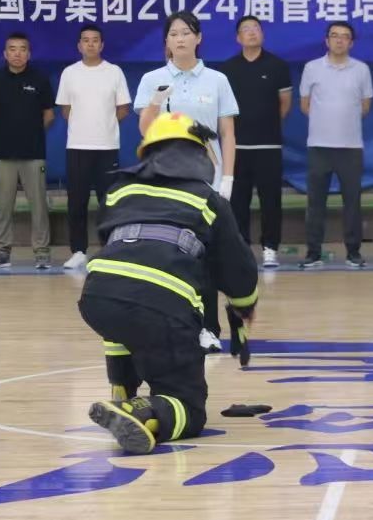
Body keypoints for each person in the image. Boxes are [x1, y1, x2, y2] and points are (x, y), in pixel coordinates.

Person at [80, 112, 259, 454]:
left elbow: (117, 250)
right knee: (189, 407)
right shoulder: (208, 200)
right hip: (160, 305)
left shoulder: (118, 192)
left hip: (97, 296)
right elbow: (239, 272)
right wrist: (244, 308)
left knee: (122, 306)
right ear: (199, 155)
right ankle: (140, 410)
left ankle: (122, 385)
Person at [134, 11, 238, 349]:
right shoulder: (153, 78)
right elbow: (145, 129)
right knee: (168, 254)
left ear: (198, 38)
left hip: (207, 180)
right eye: (174, 33)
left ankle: (209, 328)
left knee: (204, 255)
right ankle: (173, 325)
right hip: (166, 179)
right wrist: (155, 101)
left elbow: (227, 132)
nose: (180, 39)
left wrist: (228, 177)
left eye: (186, 32)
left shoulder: (217, 80)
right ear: (166, 41)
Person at [216, 16, 292, 270]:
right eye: (246, 30)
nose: (251, 33)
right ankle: (242, 249)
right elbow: (223, 110)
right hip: (237, 147)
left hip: (268, 146)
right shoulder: (227, 69)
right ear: (238, 38)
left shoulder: (277, 66)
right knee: (238, 202)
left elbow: (284, 104)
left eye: (256, 29)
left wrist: (267, 126)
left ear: (262, 34)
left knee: (271, 201)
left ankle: (270, 248)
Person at [55, 23, 131, 271]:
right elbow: (65, 110)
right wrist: (85, 125)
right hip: (77, 146)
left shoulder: (114, 72)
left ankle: (110, 249)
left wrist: (104, 125)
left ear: (102, 44)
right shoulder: (69, 73)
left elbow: (123, 108)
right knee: (76, 201)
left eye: (95, 40)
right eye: (85, 40)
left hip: (107, 146)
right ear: (79, 45)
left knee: (108, 202)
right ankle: (78, 251)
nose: (90, 44)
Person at [299, 21, 373, 270]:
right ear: (326, 40)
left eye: (345, 36)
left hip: (351, 147)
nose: (339, 40)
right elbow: (305, 105)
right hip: (319, 146)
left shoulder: (361, 69)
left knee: (352, 202)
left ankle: (353, 252)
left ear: (351, 43)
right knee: (315, 202)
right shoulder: (312, 68)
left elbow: (365, 106)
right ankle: (313, 253)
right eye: (334, 36)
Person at [0, 32, 55, 270]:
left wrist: (31, 133)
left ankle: (42, 252)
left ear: (29, 53)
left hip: (34, 153)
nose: (17, 53)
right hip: (1, 153)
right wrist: (7, 131)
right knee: (3, 205)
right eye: (12, 49)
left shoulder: (40, 79)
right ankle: (2, 252)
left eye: (22, 49)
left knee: (39, 204)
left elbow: (48, 115)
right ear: (5, 54)